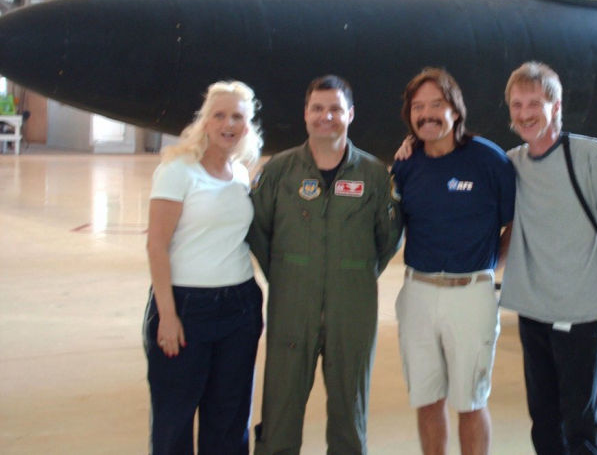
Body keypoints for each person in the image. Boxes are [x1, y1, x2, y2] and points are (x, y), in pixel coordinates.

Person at [247, 74, 402, 454]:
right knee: (280, 412)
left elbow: (388, 239)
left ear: (350, 114)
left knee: (350, 413)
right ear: (305, 114)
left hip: (353, 310)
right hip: (291, 308)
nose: (326, 117)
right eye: (318, 108)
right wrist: (289, 273)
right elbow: (258, 230)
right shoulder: (279, 171)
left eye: (335, 109)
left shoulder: (373, 175)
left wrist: (351, 272)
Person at [500, 61, 597, 454]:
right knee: (543, 422)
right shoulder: (512, 163)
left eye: (534, 103)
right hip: (532, 312)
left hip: (578, 314)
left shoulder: (591, 155)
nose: (525, 113)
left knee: (580, 424)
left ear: (555, 107)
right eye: (517, 104)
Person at [392, 68, 516, 455]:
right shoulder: (406, 164)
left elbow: (513, 224)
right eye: (418, 107)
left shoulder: (489, 160)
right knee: (427, 399)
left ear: (456, 111)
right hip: (418, 293)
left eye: (436, 105)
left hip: (470, 296)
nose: (427, 114)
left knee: (471, 401)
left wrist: (487, 267)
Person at [143, 80, 265, 455]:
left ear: (248, 126)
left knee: (229, 420)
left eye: (237, 117)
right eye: (220, 115)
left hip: (239, 306)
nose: (228, 124)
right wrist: (167, 315)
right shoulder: (178, 170)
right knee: (174, 420)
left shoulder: (242, 174)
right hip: (185, 307)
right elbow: (156, 245)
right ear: (205, 121)